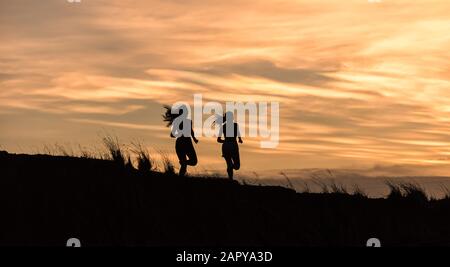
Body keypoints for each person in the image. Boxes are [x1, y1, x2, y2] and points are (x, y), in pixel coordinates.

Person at [163, 105, 198, 176]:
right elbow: (173, 134)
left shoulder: (178, 122)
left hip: (180, 143)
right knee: (192, 162)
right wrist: (193, 138)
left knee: (187, 163)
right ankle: (182, 168)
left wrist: (194, 138)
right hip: (186, 143)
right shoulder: (184, 122)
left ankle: (183, 163)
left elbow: (172, 135)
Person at [217, 112, 243, 180]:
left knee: (229, 164)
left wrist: (225, 141)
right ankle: (230, 175)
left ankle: (230, 179)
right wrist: (240, 139)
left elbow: (218, 140)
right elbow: (238, 134)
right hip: (233, 145)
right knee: (237, 166)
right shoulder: (235, 125)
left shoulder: (223, 126)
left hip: (225, 146)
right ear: (232, 118)